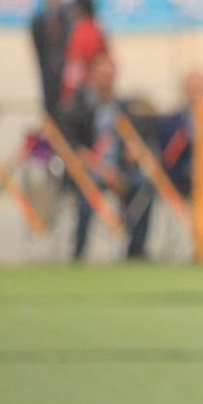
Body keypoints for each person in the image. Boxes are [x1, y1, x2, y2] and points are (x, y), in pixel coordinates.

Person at [59, 53, 154, 261]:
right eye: (103, 76)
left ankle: (136, 251)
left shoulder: (123, 108)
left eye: (110, 76)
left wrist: (133, 151)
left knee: (146, 185)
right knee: (88, 188)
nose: (107, 80)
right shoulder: (77, 107)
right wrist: (102, 169)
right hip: (88, 170)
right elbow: (73, 148)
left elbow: (135, 139)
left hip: (119, 170)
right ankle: (79, 250)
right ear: (92, 76)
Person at [30, 0, 73, 118]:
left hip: (71, 80)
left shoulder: (72, 15)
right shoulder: (38, 21)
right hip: (49, 82)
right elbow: (40, 55)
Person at [157, 72, 203, 198]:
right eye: (192, 89)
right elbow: (167, 158)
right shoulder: (170, 123)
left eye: (198, 90)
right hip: (180, 177)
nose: (195, 95)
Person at [60, 0, 109, 106]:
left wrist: (69, 92)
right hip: (89, 87)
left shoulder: (84, 31)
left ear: (80, 9)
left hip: (85, 89)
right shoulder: (95, 29)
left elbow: (77, 64)